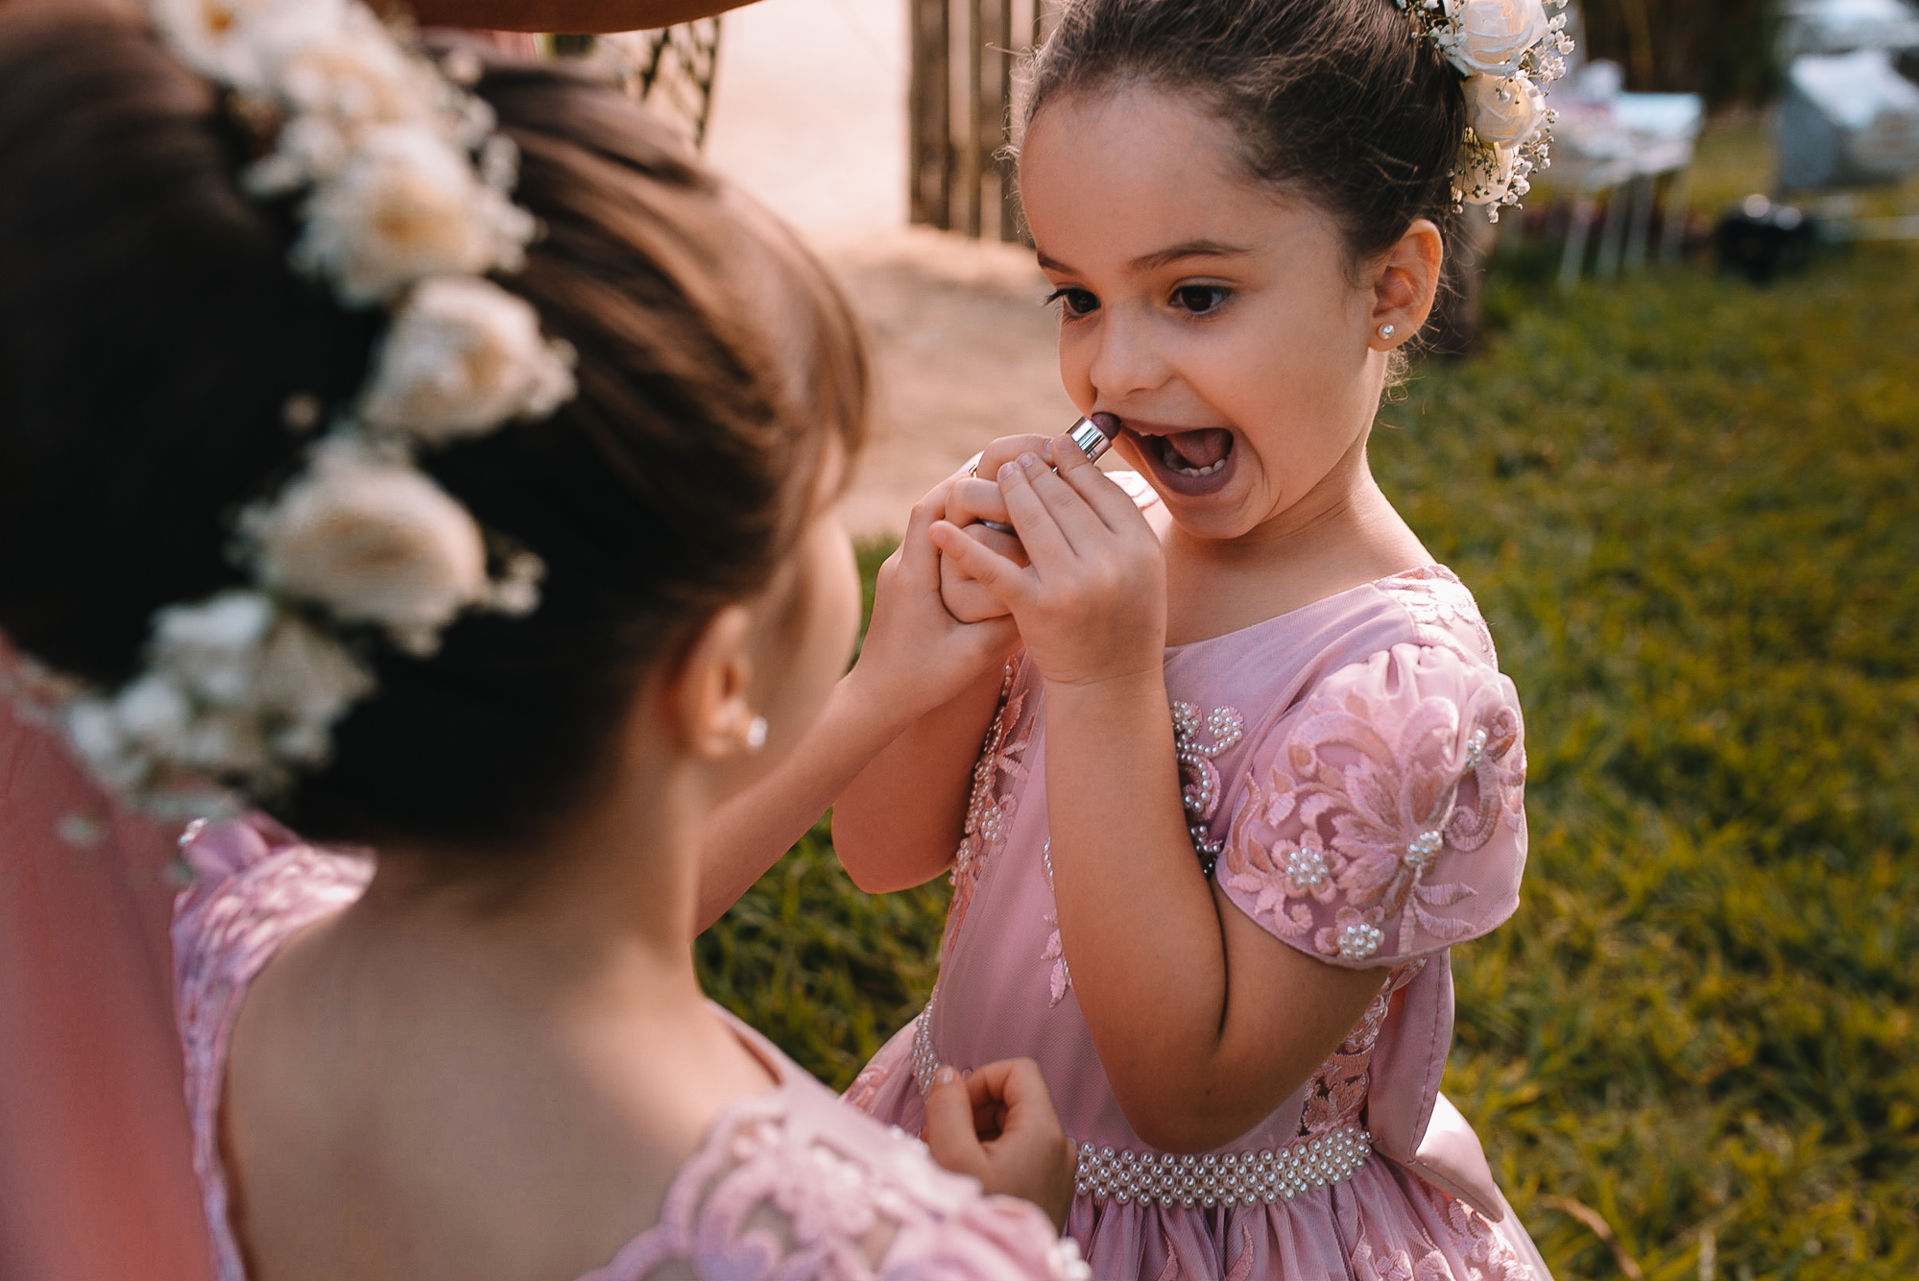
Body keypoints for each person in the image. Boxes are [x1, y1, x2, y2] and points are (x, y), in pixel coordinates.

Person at [0, 1, 1088, 1277]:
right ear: (713, 672)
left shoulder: (233, 929)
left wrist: (873, 701)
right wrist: (1013, 1232)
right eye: (814, 497)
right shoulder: (896, 1252)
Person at [833, 0, 1569, 1276]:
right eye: (1076, 295)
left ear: (1392, 288)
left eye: (1197, 293)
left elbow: (1191, 1093)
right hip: (962, 1152)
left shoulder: (1394, 692)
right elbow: (882, 853)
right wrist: (942, 650)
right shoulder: (1102, 559)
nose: (1114, 370)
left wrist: (1105, 675)